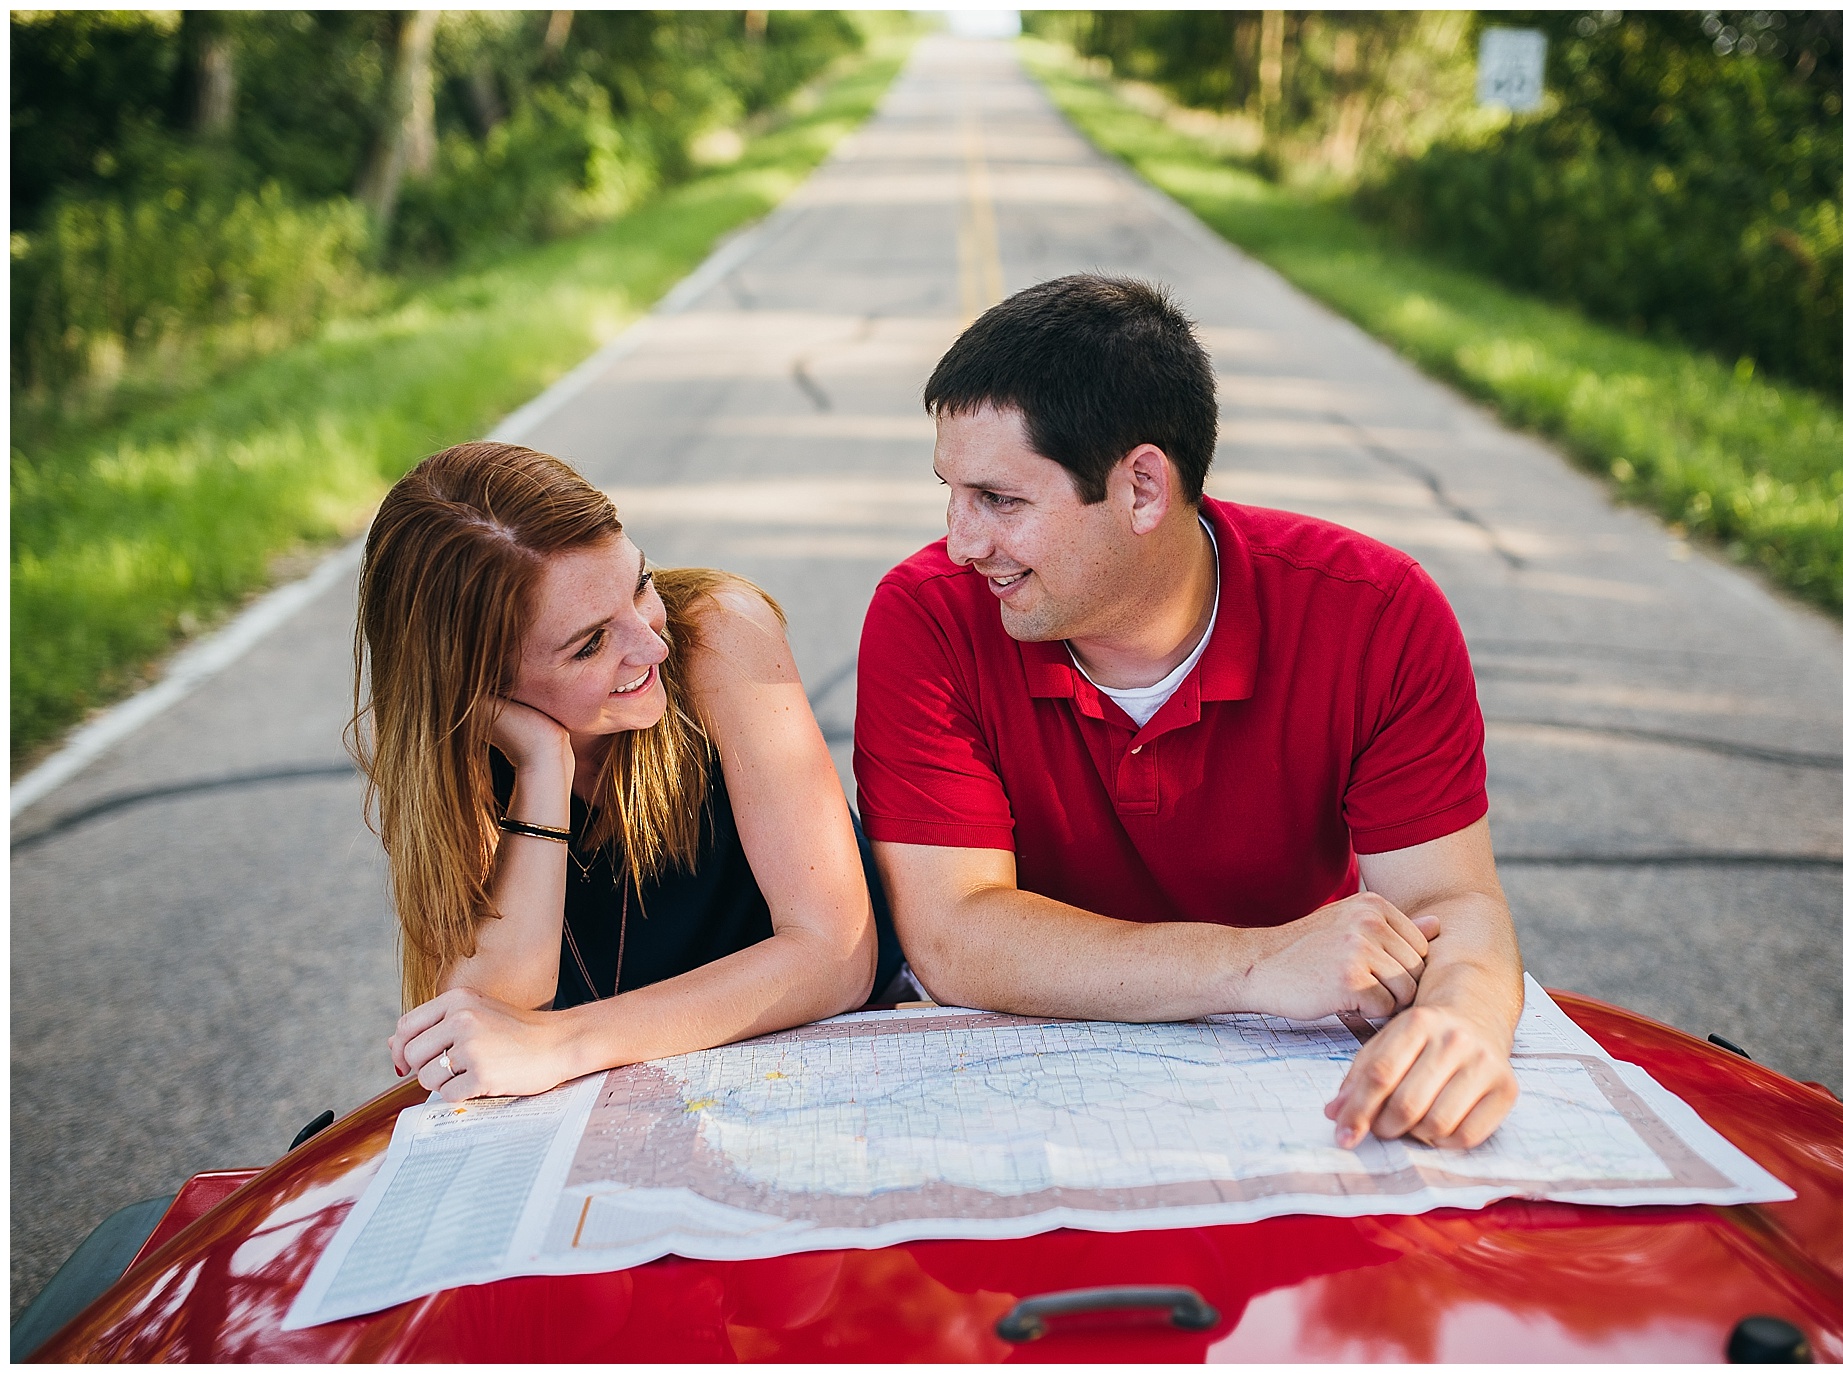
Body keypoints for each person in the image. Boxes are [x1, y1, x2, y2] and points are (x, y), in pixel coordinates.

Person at [854, 275, 1525, 1150]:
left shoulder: (1376, 612)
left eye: (1001, 501)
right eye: (952, 491)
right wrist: (1258, 962)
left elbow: (1450, 897)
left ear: (1141, 488)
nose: (961, 540)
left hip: (1294, 1086)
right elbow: (955, 935)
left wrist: (1461, 1020)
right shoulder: (927, 616)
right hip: (1022, 1083)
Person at [355, 441, 900, 1102]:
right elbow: (486, 1017)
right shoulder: (451, 748)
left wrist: (562, 1044)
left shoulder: (720, 634)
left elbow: (834, 958)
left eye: (641, 584)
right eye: (590, 643)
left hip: (826, 1064)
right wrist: (541, 768)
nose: (652, 644)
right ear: (477, 685)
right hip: (646, 1097)